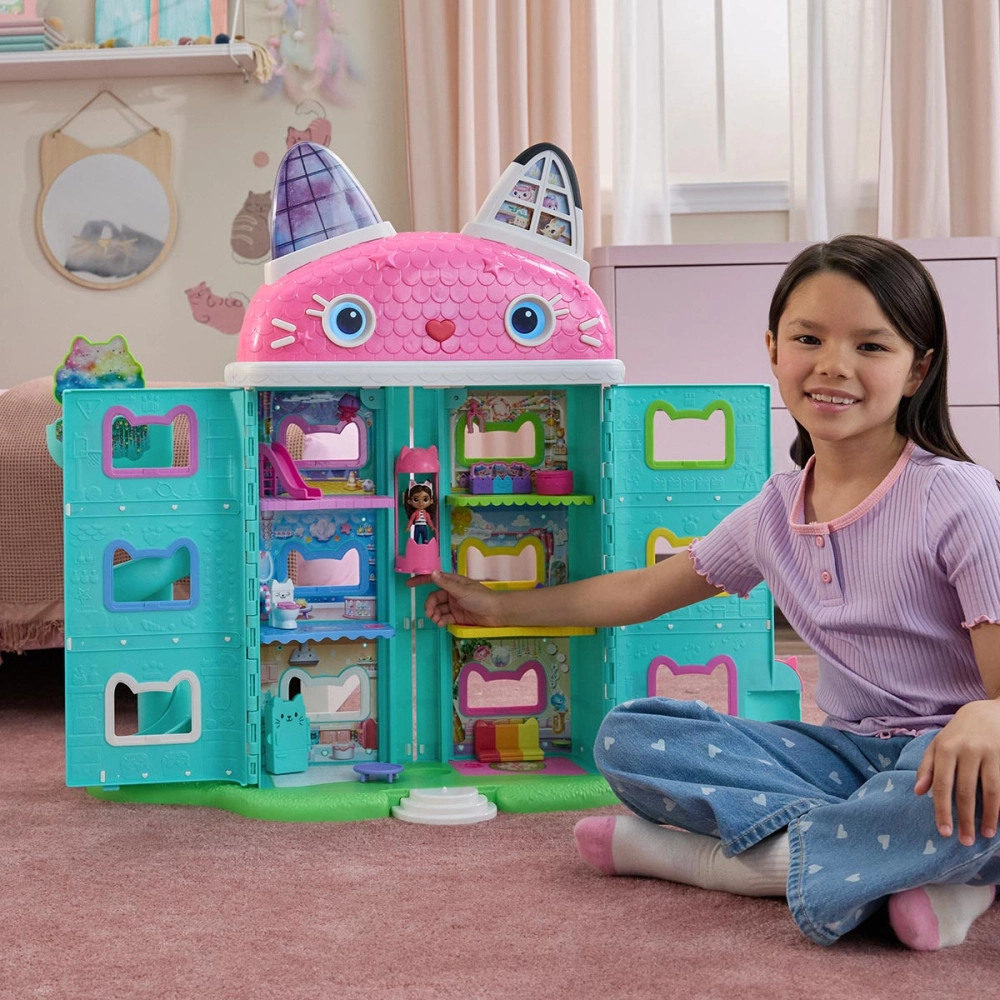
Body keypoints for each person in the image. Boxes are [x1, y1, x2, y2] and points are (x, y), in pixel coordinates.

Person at [410, 235, 1000, 950]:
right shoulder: (773, 511)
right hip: (845, 758)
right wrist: (501, 607)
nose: (833, 365)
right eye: (808, 338)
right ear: (773, 350)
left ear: (918, 370)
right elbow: (642, 589)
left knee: (967, 792)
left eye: (871, 347)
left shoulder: (958, 499)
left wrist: (986, 715)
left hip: (954, 755)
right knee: (629, 736)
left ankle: (717, 863)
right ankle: (916, 866)